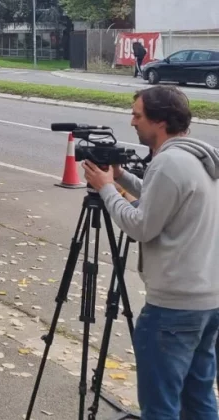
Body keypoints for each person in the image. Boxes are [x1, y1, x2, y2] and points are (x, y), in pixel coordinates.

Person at [83, 85, 219, 419]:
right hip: (208, 301)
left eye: (137, 115)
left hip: (173, 309)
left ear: (160, 121)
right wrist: (121, 177)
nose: (132, 122)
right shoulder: (199, 157)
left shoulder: (167, 163)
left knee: (160, 407)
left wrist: (106, 189)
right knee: (198, 396)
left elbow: (141, 226)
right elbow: (165, 198)